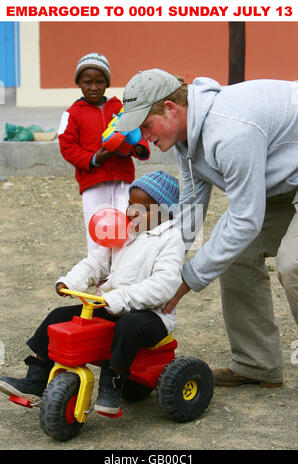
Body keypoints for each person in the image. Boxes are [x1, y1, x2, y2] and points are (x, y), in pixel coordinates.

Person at [114, 68, 298, 388]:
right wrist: (159, 264)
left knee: (293, 262)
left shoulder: (231, 132)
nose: (144, 138)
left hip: (286, 179)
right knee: (235, 254)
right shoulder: (185, 139)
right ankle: (257, 364)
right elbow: (190, 208)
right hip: (284, 181)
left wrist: (186, 280)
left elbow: (245, 218)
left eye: (146, 125)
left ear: (171, 108)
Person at [0, 171, 185, 414]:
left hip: (151, 315)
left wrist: (119, 298)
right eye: (130, 205)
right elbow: (97, 262)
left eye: (143, 209)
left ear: (164, 212)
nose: (132, 213)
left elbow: (164, 284)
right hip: (109, 305)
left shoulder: (171, 239)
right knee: (58, 318)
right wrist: (71, 282)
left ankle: (113, 383)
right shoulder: (126, 230)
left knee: (128, 326)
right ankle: (36, 378)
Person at [58, 52, 150, 253]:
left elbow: (135, 131)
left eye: (99, 82)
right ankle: (99, 274)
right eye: (87, 82)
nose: (93, 87)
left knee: (125, 225)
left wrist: (139, 146)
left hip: (123, 179)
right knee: (98, 226)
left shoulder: (119, 108)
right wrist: (93, 159)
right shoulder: (72, 114)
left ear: (107, 84)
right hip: (93, 181)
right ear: (79, 84)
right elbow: (67, 147)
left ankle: (121, 272)